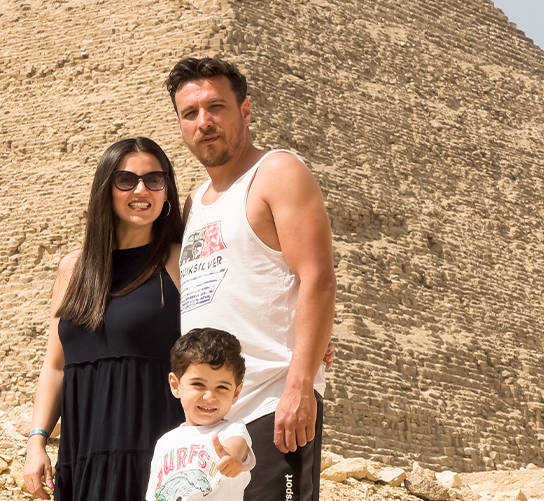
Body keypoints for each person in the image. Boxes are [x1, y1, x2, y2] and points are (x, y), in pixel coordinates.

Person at [165, 57, 337, 501]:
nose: (204, 122)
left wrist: (300, 385)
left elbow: (317, 278)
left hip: (272, 404)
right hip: (209, 416)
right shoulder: (194, 203)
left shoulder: (277, 173)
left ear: (244, 111)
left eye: (216, 107)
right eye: (190, 113)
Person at [22, 137, 186, 501]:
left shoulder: (181, 261)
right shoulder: (72, 269)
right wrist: (37, 440)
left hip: (151, 455)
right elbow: (55, 366)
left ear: (167, 191)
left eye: (154, 180)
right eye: (126, 180)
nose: (141, 190)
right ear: (105, 189)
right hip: (81, 456)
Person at [146, 327, 255, 501]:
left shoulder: (232, 430)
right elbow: (154, 495)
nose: (209, 397)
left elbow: (237, 446)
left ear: (235, 393)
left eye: (221, 387)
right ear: (175, 385)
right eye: (198, 384)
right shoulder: (164, 442)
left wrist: (232, 456)